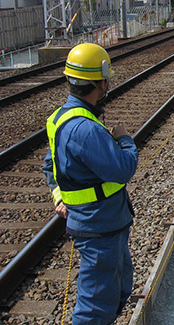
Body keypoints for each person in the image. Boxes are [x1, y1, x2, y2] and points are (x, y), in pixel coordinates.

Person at [43, 43, 139, 324]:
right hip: (99, 227)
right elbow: (123, 169)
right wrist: (124, 139)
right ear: (101, 81)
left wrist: (58, 196)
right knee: (94, 309)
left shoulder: (63, 118)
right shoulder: (84, 128)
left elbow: (50, 164)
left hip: (106, 224)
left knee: (117, 290)